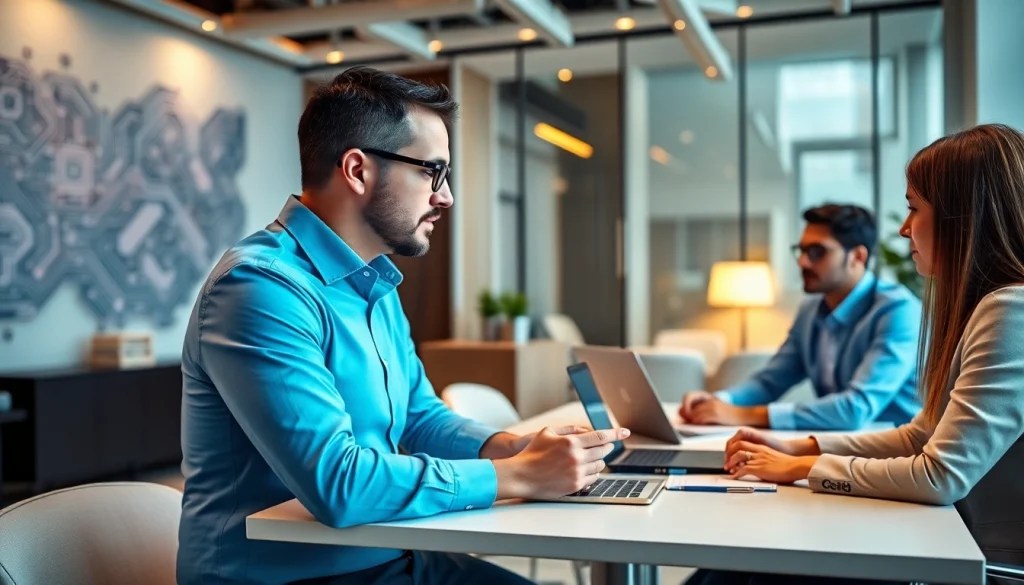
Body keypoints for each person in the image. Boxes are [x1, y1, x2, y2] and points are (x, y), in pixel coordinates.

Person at [176, 67, 626, 585]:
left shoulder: (374, 283)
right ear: (357, 170)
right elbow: (338, 484)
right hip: (294, 577)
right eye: (432, 172)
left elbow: (420, 418)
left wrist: (514, 448)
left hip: (388, 552)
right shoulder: (261, 289)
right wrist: (517, 476)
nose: (446, 196)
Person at [700, 123, 1024, 585]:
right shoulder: (980, 308)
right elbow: (920, 436)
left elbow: (939, 476)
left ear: (964, 217)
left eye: (914, 209)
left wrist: (802, 466)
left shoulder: (1009, 310)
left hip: (977, 558)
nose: (904, 228)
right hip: (945, 532)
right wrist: (798, 446)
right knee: (735, 565)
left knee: (761, 569)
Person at [679, 204, 922, 431]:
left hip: (901, 452)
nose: (802, 261)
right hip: (844, 446)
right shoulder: (810, 310)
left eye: (817, 252)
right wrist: (717, 402)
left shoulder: (898, 310)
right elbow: (769, 382)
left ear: (857, 257)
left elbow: (855, 409)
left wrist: (743, 415)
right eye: (802, 250)